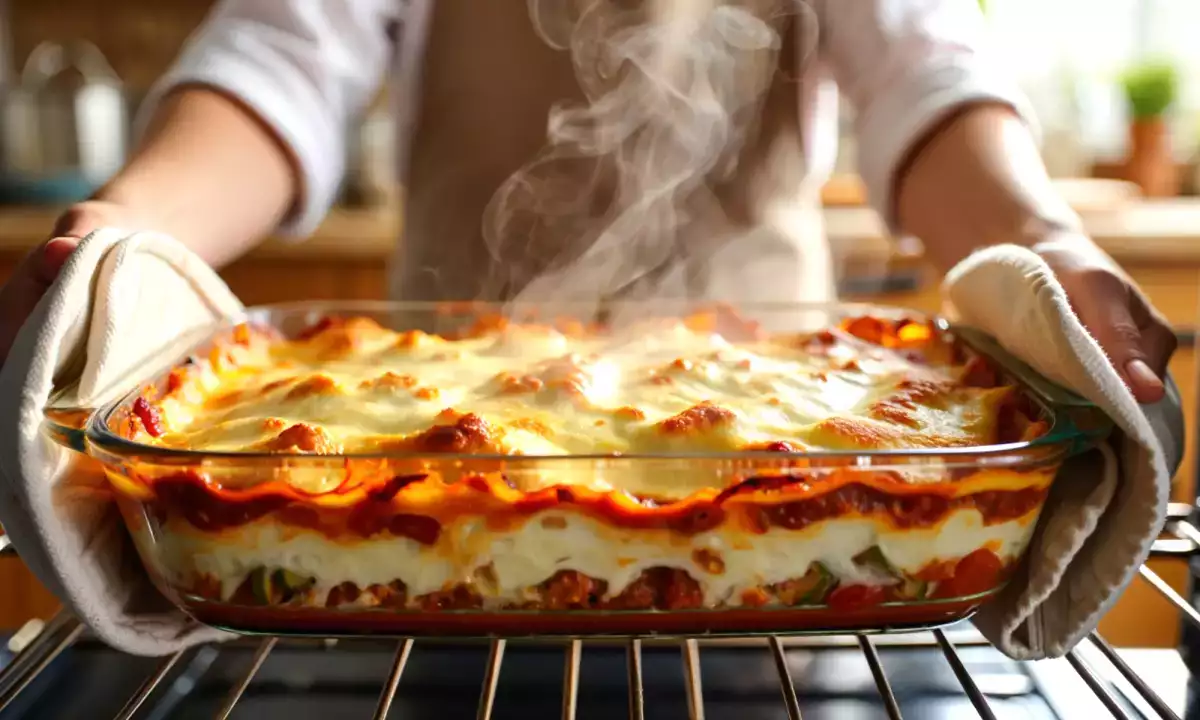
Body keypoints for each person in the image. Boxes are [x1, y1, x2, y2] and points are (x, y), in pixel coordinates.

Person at [0, 0, 1176, 402]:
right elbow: (283, 61)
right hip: (427, 426)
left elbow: (923, 77)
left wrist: (1044, 244)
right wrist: (133, 233)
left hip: (787, 426)